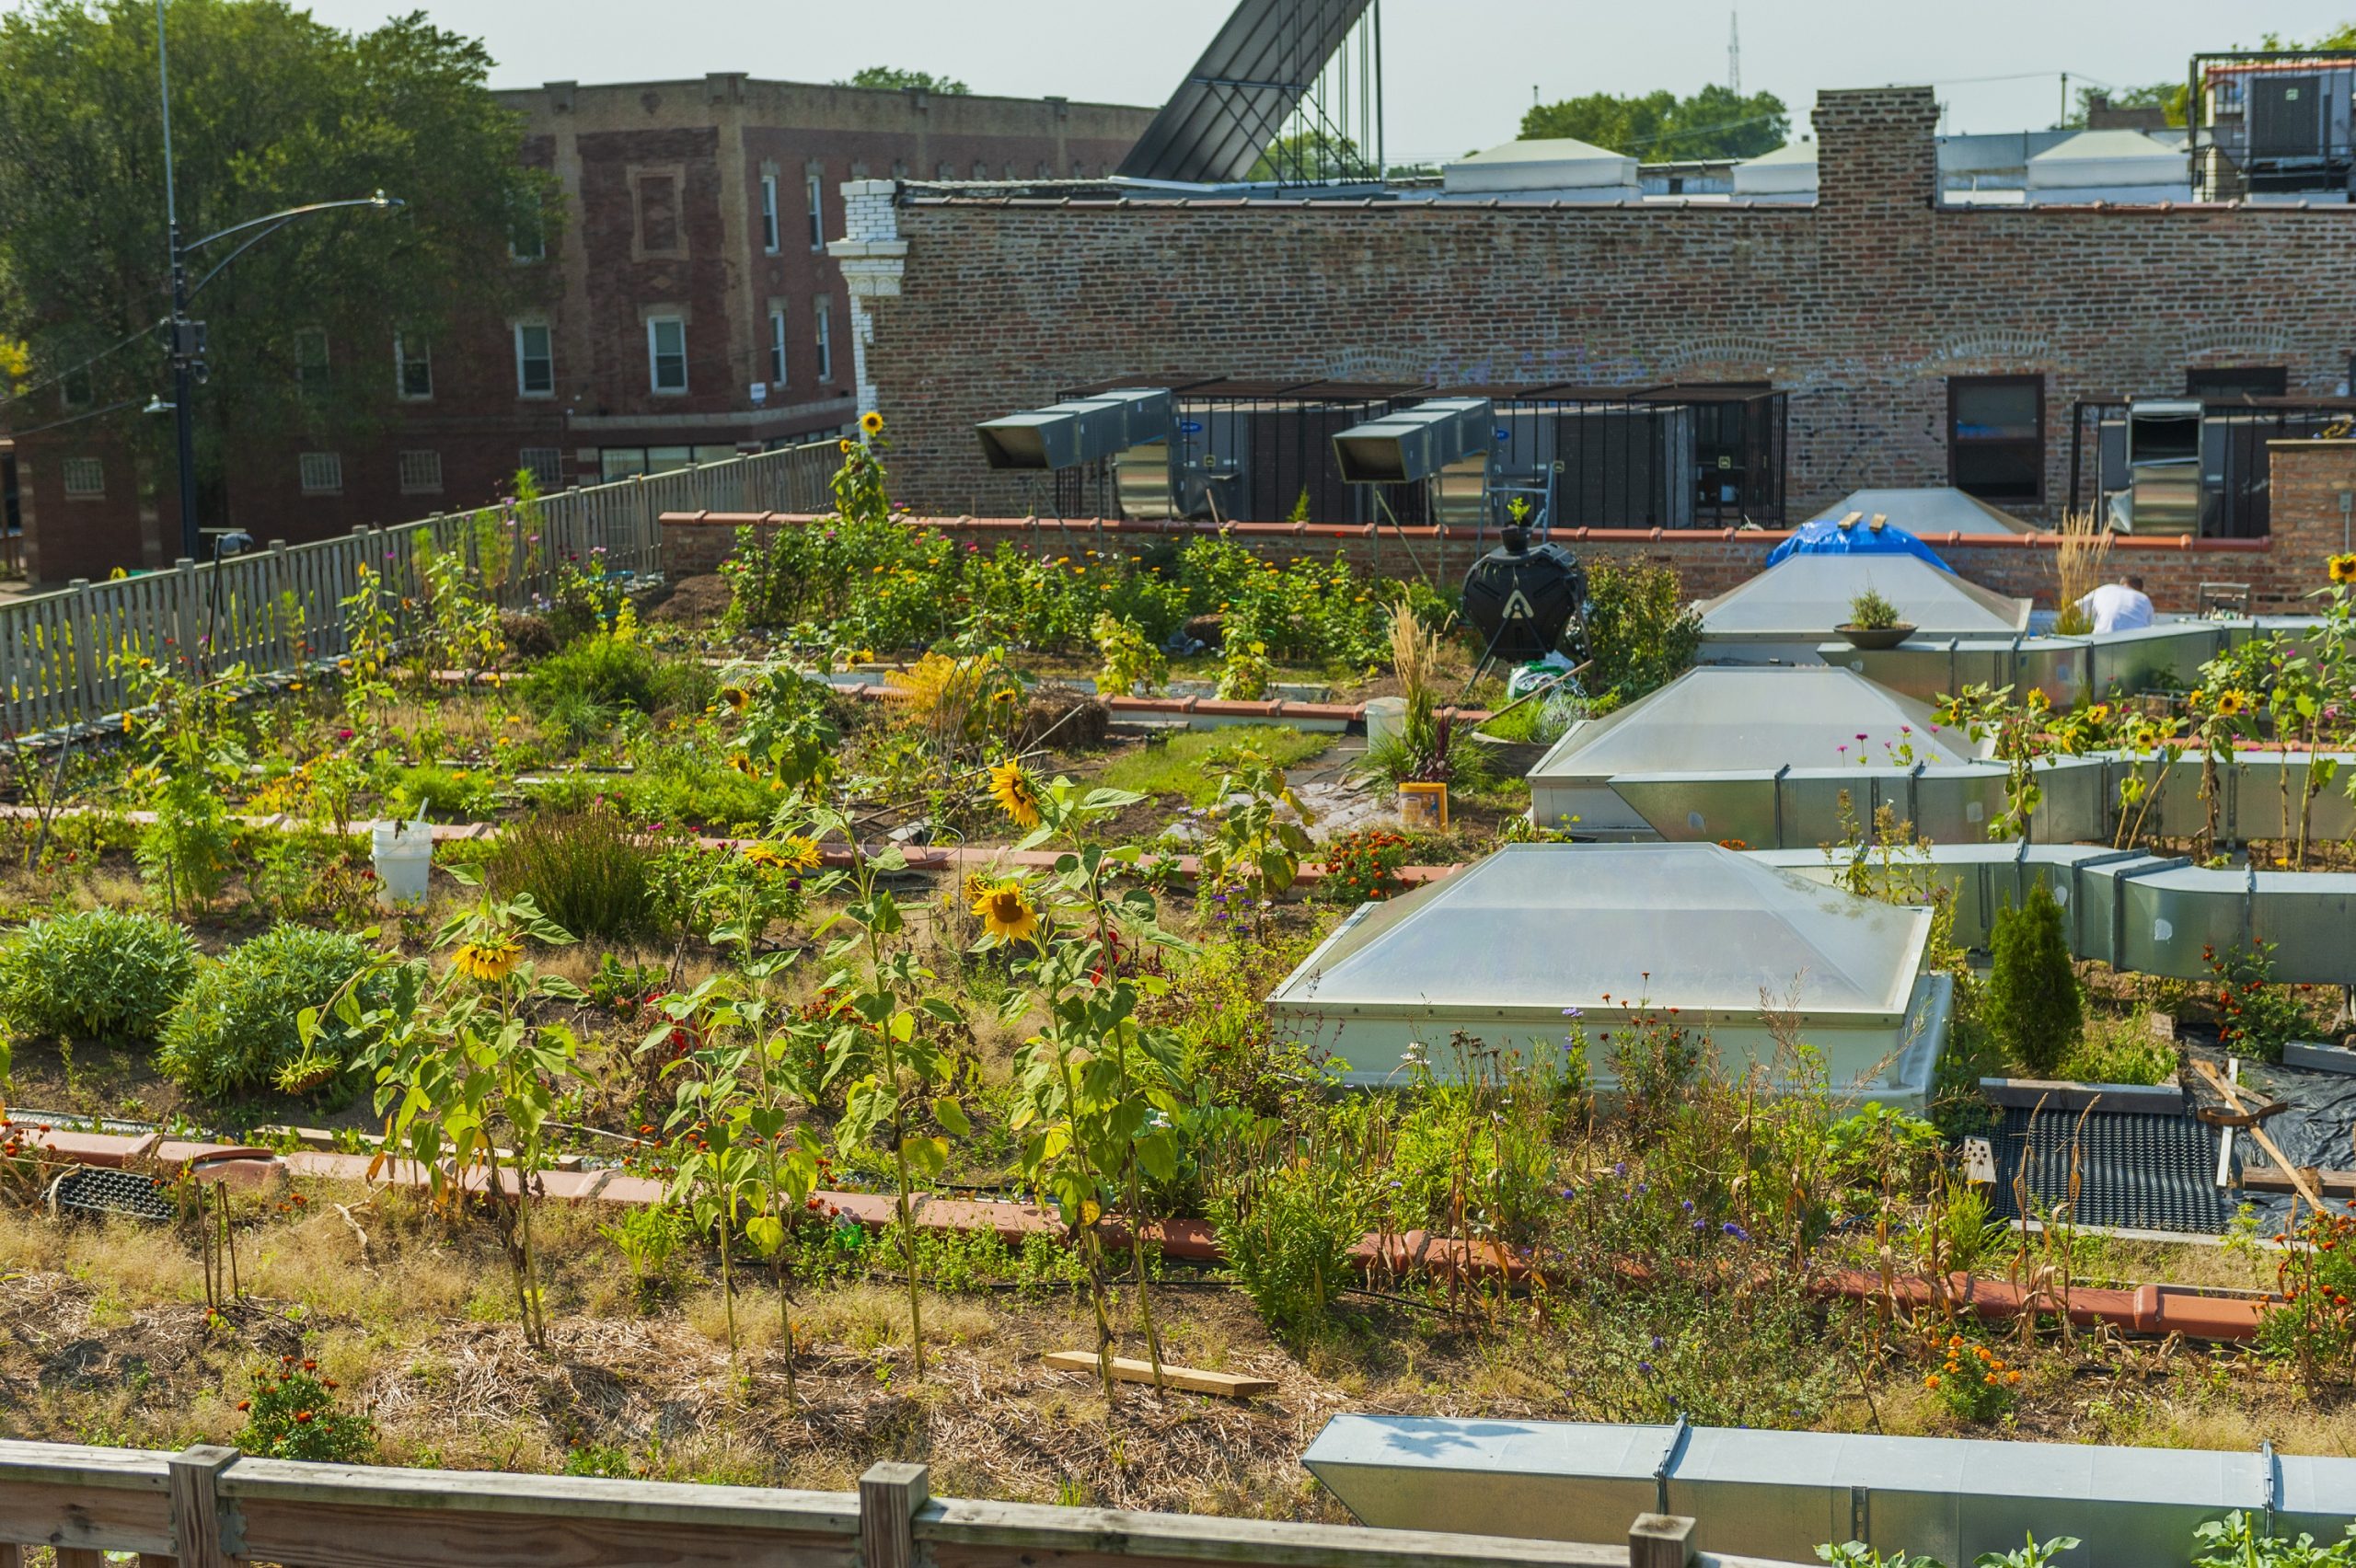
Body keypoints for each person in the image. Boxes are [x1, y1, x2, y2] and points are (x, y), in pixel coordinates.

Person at [2074, 573, 2154, 635]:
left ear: (2120, 584)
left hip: (2102, 639)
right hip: (2133, 643)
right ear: (2139, 590)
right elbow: (2147, 628)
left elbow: (2075, 609)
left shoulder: (2106, 589)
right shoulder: (2144, 598)